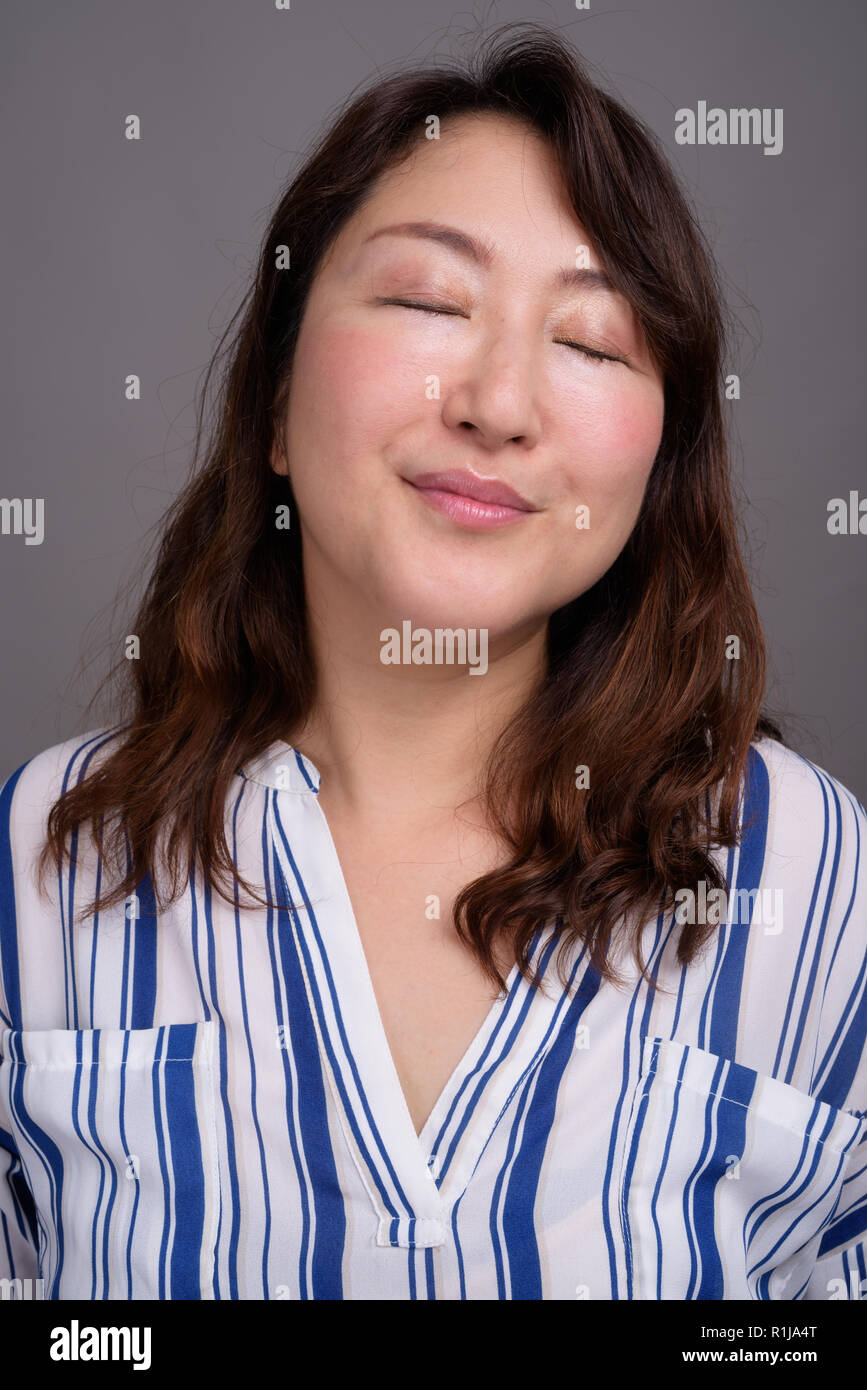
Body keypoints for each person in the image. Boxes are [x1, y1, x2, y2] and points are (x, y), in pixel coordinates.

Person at [0, 23, 864, 1301]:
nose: (499, 402)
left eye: (591, 342)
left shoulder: (814, 877)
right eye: (424, 300)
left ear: (657, 463)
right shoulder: (46, 852)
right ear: (276, 403)